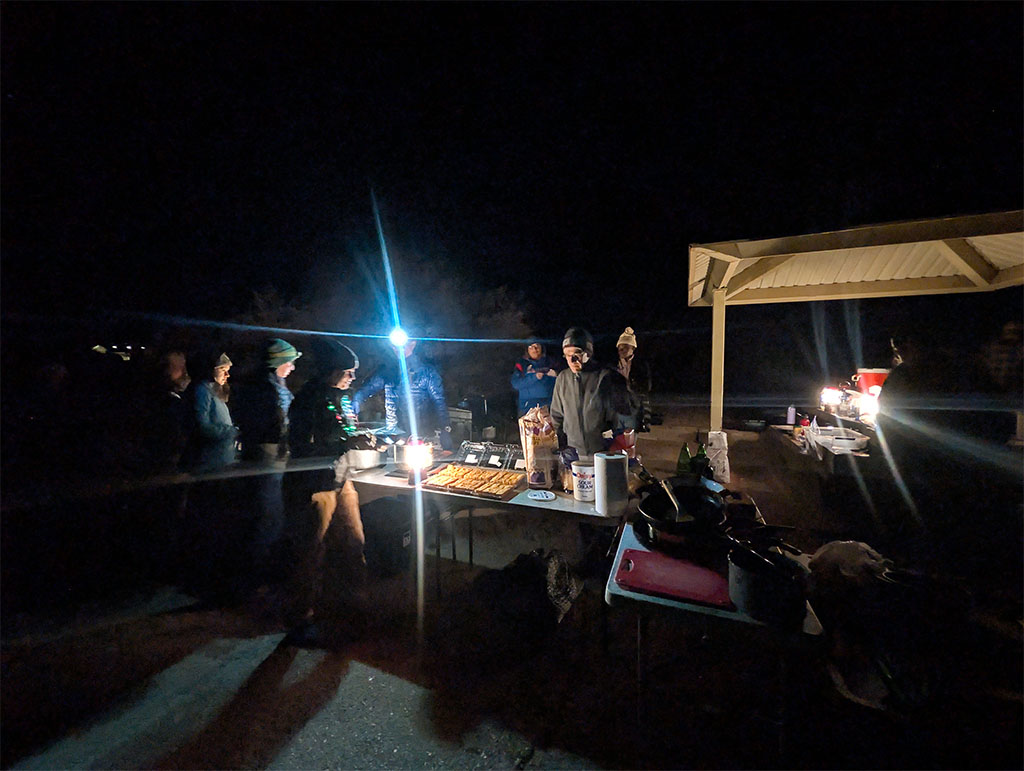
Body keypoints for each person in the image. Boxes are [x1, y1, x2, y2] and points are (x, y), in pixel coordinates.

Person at [284, 342, 376, 648]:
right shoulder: (307, 400)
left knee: (353, 542)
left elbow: (346, 430)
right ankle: (301, 619)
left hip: (341, 480)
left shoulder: (341, 397)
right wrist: (346, 443)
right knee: (311, 550)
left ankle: (354, 607)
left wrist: (360, 438)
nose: (352, 377)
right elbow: (303, 446)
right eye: (347, 372)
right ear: (331, 371)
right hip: (315, 484)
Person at [233, 338, 302, 584]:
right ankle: (257, 577)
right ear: (278, 363)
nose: (293, 368)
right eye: (290, 363)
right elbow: (274, 424)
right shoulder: (268, 390)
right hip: (269, 456)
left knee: (265, 513)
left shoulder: (259, 385)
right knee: (268, 515)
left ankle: (258, 571)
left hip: (263, 454)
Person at [352, 339, 452, 450]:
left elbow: (439, 401)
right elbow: (370, 387)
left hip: (421, 433)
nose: (397, 349)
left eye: (402, 346)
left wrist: (445, 427)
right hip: (395, 433)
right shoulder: (389, 371)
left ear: (413, 344)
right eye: (394, 346)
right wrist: (357, 399)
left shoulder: (426, 372)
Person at [549, 326, 619, 459]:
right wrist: (562, 444)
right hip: (573, 452)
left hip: (601, 451)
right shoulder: (563, 378)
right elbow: (557, 415)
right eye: (568, 355)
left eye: (577, 354)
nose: (572, 360)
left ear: (588, 353)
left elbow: (615, 415)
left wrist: (609, 443)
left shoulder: (603, 378)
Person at [181, 353, 238, 473]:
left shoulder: (214, 391)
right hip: (210, 461)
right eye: (223, 369)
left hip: (220, 459)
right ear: (211, 370)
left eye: (227, 370)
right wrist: (230, 431)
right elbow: (202, 425)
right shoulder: (203, 390)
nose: (227, 375)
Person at [509, 339, 558, 416]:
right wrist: (534, 377)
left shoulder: (551, 362)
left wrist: (556, 374)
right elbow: (516, 384)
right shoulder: (522, 364)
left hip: (549, 407)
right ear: (527, 350)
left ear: (542, 347)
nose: (534, 349)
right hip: (528, 408)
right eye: (531, 347)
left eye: (537, 346)